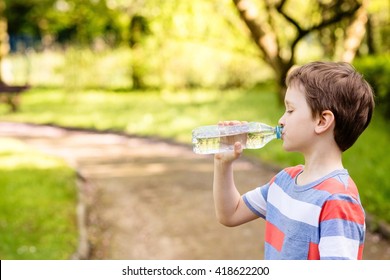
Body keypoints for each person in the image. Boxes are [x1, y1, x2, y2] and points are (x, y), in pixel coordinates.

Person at [213, 61, 375, 260]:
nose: (281, 120)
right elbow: (231, 213)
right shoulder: (284, 182)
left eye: (290, 110)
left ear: (322, 121)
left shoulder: (338, 201)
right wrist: (223, 163)